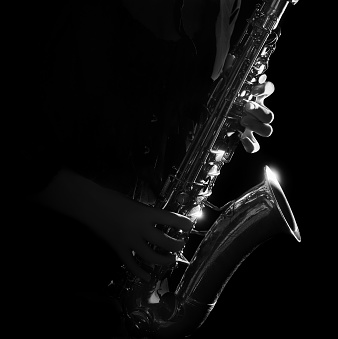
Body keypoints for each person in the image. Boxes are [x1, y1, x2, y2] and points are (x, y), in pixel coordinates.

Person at [7, 0, 277, 338]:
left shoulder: (228, 4)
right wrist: (106, 211)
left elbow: (183, 102)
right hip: (40, 270)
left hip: (127, 291)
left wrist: (230, 109)